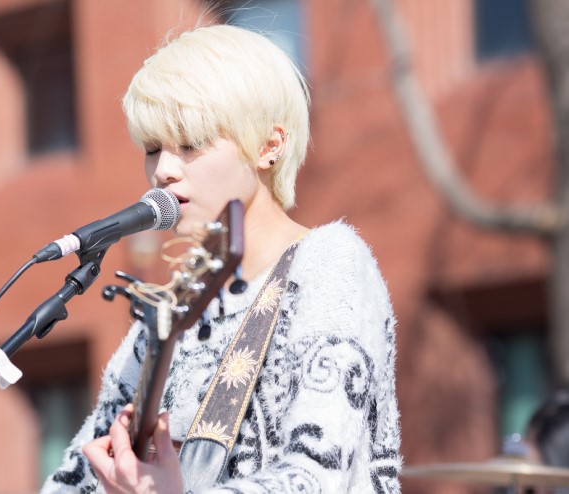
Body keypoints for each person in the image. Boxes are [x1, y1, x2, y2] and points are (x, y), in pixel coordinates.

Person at [41, 22, 401, 494]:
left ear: (270, 146)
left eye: (190, 144)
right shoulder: (171, 306)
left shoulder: (329, 264)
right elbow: (75, 478)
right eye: (152, 149)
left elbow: (315, 476)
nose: (163, 171)